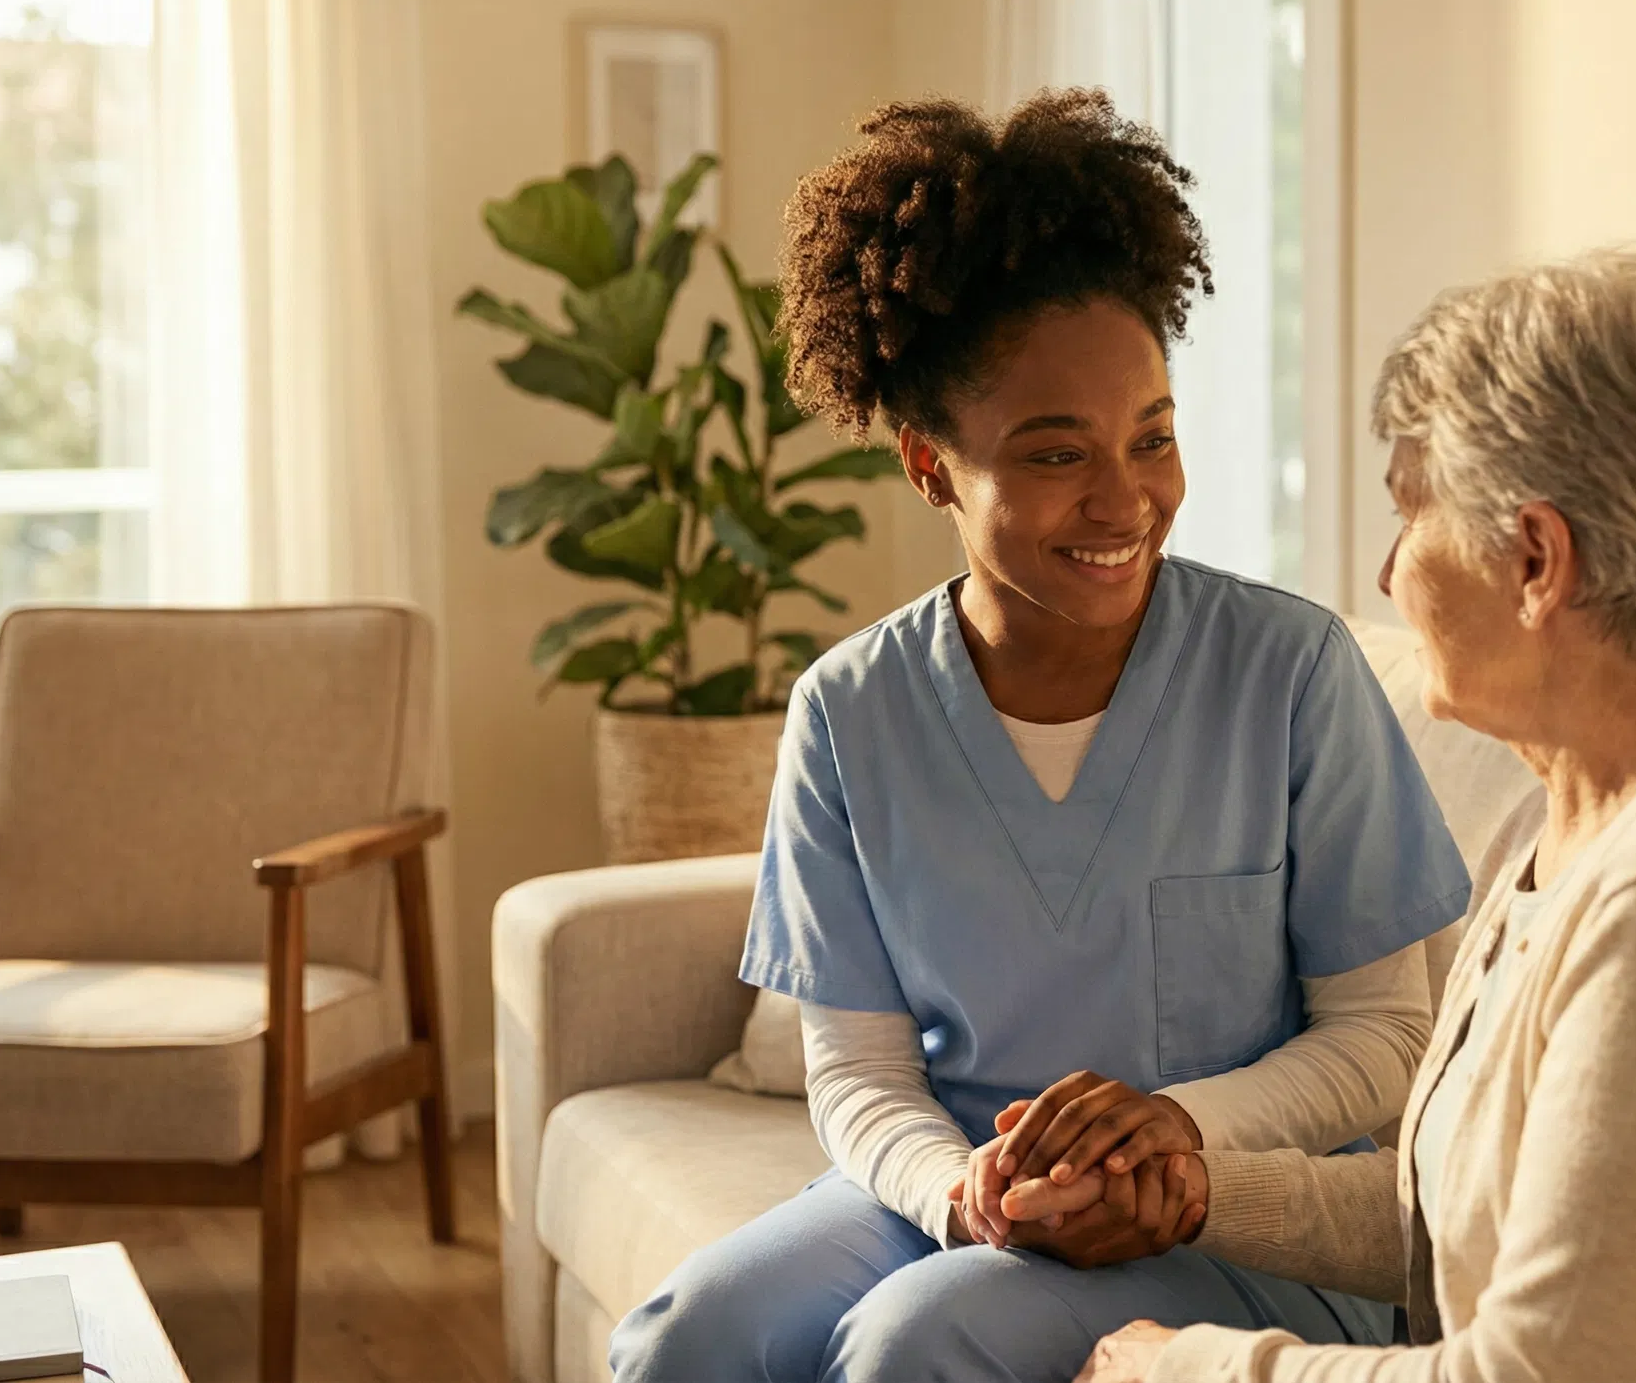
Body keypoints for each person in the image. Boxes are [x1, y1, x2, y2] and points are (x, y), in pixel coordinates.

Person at [608, 88, 1470, 1383]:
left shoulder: (1292, 673)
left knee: (920, 1339)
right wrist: (963, 1194)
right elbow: (854, 1068)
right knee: (688, 1336)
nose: (1125, 498)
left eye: (1155, 437)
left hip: (1234, 1206)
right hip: (966, 1181)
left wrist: (1165, 1130)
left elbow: (1387, 1035)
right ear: (931, 465)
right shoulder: (850, 713)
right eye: (1058, 454)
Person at [1039, 249, 1636, 1382]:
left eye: (1410, 514)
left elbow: (1542, 1374)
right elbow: (1464, 1206)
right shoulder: (1574, 812)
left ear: (1534, 559)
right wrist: (1191, 1190)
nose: (1386, 575)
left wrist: (1183, 1370)